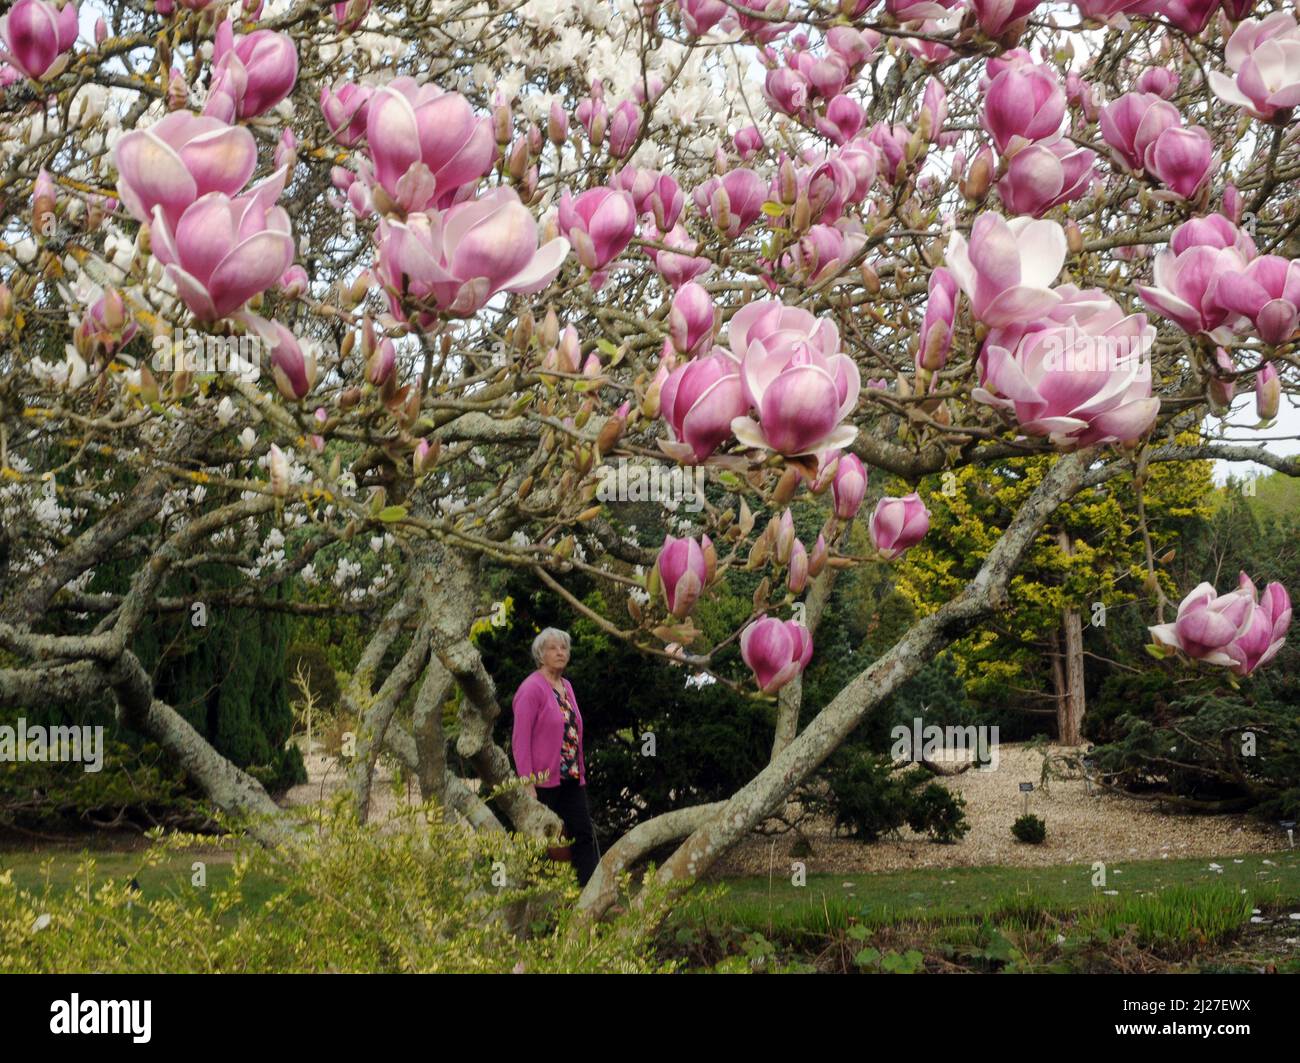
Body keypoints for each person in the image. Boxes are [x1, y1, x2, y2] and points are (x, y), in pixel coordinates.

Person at [510, 627, 600, 887]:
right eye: (553, 648)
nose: (560, 652)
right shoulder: (531, 689)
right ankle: (544, 895)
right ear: (540, 654)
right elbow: (520, 739)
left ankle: (590, 894)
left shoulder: (567, 686)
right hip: (543, 781)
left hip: (571, 777)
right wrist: (527, 782)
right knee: (548, 840)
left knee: (583, 833)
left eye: (564, 648)